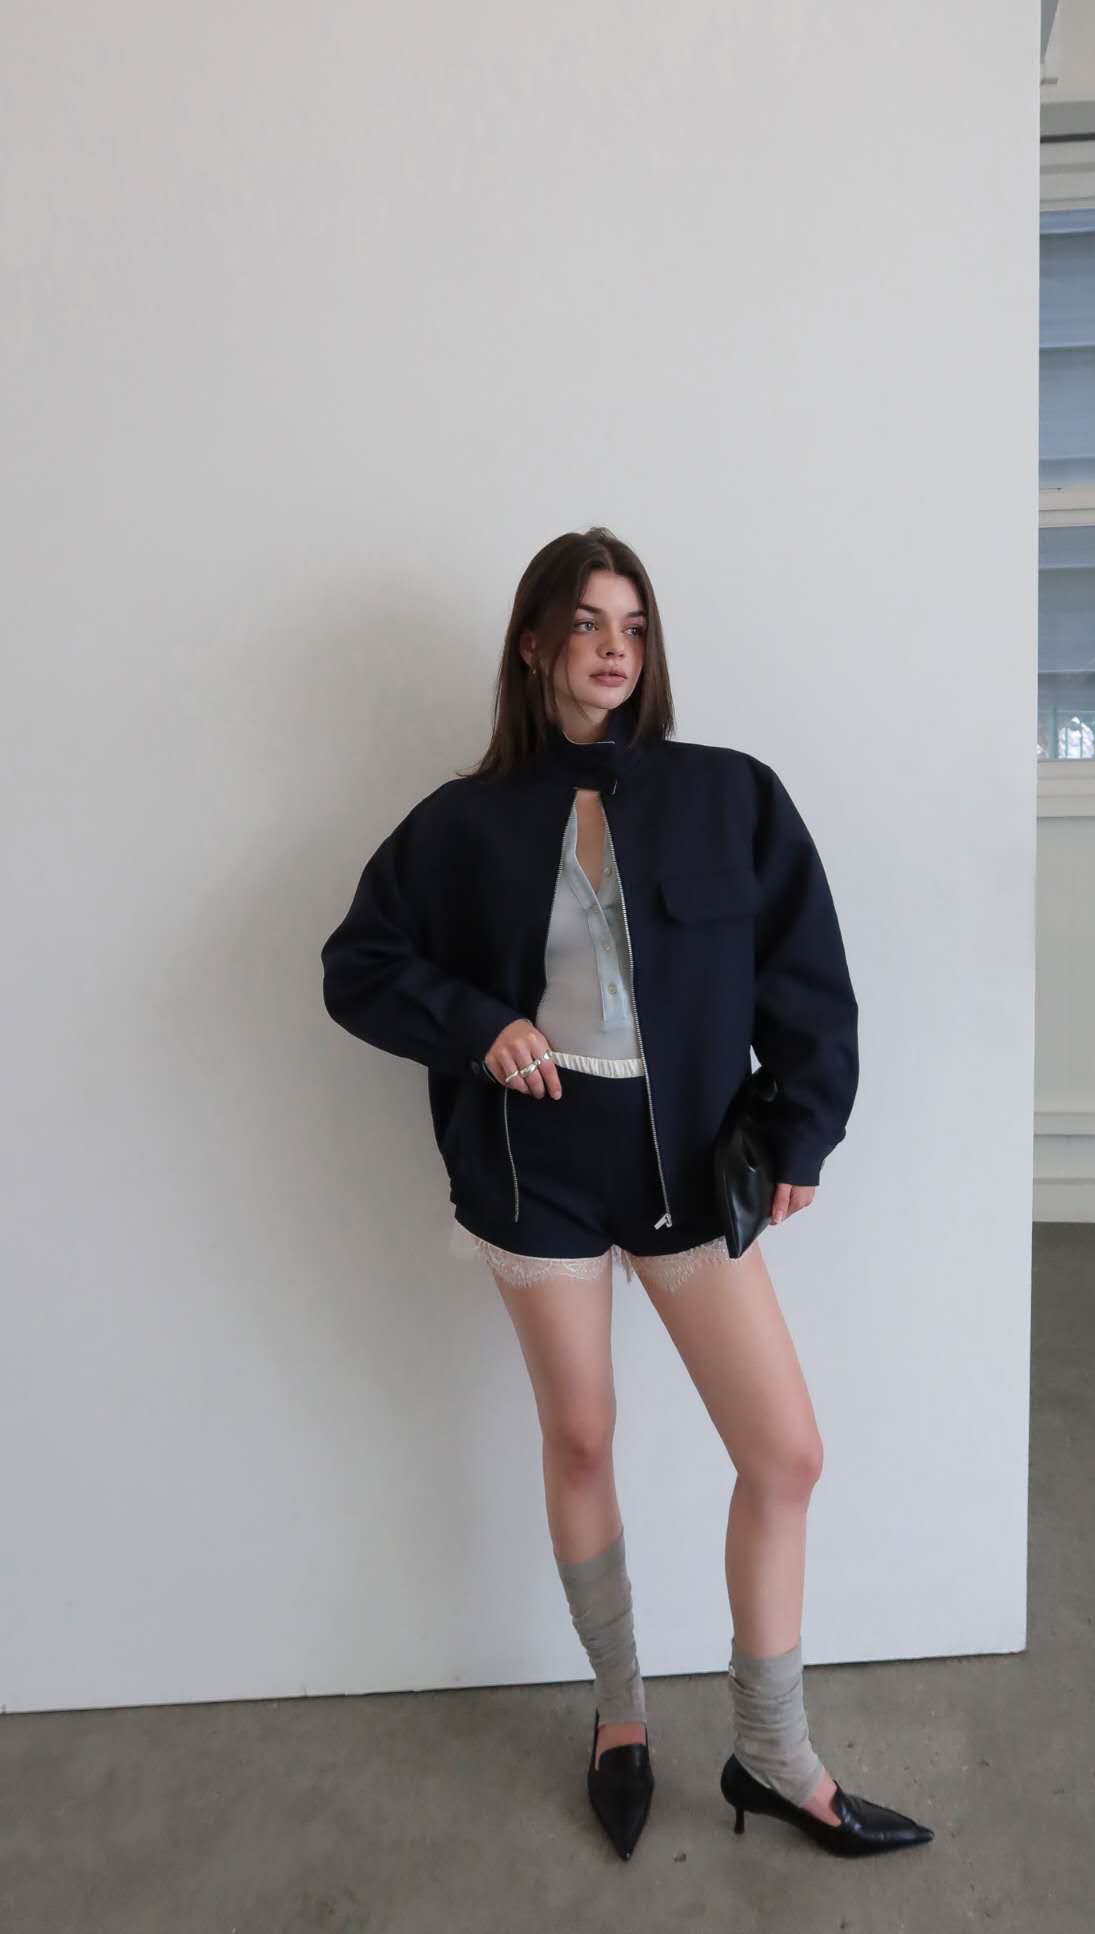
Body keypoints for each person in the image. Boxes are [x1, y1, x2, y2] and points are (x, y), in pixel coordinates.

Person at [320, 526, 933, 1863]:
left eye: (636, 625)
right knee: (583, 1439)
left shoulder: (728, 794)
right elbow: (357, 963)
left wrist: (803, 1133)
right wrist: (479, 1023)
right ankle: (620, 1711)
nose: (615, 647)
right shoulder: (463, 821)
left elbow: (807, 975)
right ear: (534, 642)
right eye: (589, 622)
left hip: (685, 1170)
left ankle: (774, 1751)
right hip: (533, 1167)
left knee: (786, 1454)